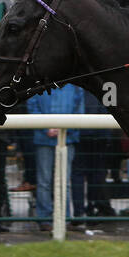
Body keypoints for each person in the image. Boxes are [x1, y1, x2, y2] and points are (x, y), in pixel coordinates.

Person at [27, 82, 85, 229]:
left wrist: (51, 128)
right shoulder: (40, 86)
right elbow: (32, 107)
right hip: (53, 139)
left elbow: (79, 113)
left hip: (62, 138)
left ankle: (62, 219)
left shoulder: (75, 88)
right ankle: (46, 219)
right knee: (46, 182)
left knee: (60, 182)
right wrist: (51, 128)